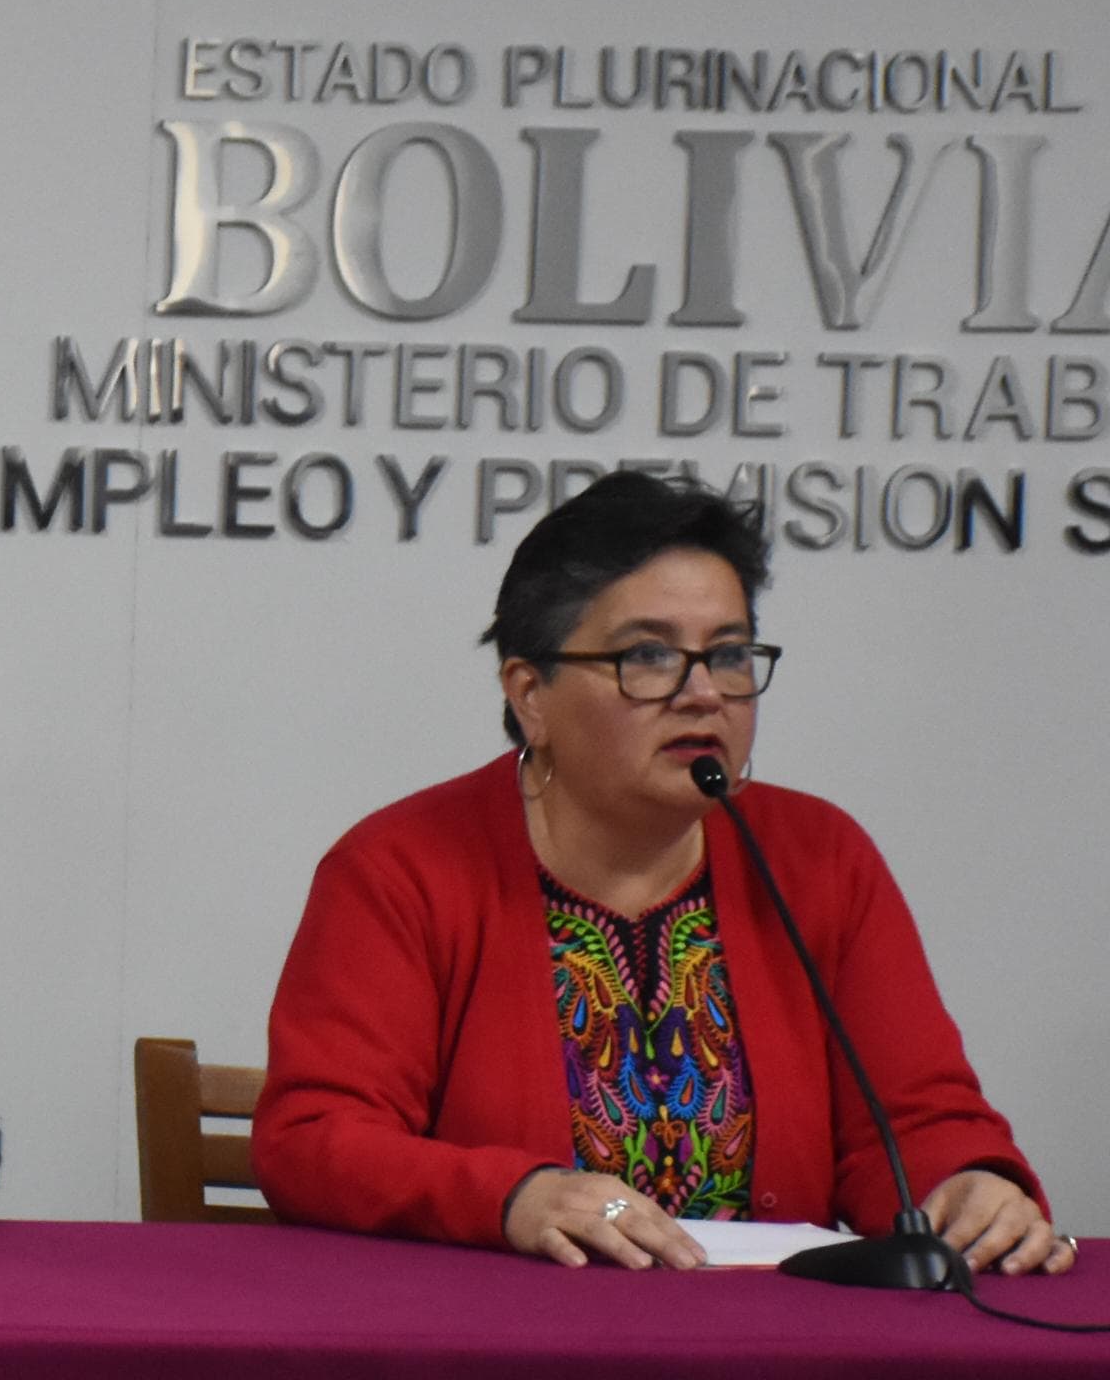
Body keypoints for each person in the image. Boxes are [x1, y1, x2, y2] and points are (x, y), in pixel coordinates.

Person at [255, 471, 1073, 1275]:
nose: (704, 693)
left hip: (777, 1341)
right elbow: (315, 1139)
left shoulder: (820, 858)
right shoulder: (402, 869)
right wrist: (514, 1197)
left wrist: (969, 1184)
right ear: (531, 694)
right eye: (649, 655)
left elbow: (913, 1122)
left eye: (729, 654)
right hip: (504, 1338)